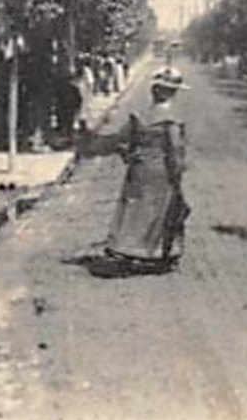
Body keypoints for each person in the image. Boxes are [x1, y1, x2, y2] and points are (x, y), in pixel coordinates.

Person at [79, 67, 191, 274]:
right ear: (172, 93)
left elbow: (120, 139)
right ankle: (157, 253)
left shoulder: (139, 115)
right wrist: (178, 173)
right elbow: (175, 150)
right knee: (162, 211)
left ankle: (125, 247)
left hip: (138, 169)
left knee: (133, 209)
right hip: (161, 172)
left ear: (154, 91)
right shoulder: (172, 120)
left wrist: (126, 154)